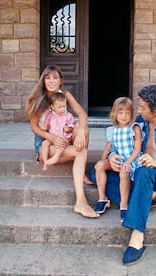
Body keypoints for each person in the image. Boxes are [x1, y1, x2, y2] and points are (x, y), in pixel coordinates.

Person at [90, 84, 156, 265]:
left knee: (144, 172)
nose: (138, 110)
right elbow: (118, 143)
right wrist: (112, 156)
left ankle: (137, 236)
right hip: (133, 170)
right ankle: (144, 197)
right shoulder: (138, 122)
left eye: (142, 107)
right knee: (97, 172)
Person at [25, 64, 99, 218]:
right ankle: (80, 201)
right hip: (45, 143)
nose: (51, 81)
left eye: (55, 78)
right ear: (43, 81)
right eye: (48, 78)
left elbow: (82, 114)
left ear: (60, 81)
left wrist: (79, 132)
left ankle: (80, 166)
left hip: (64, 138)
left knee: (81, 126)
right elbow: (34, 128)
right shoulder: (38, 99)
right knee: (81, 152)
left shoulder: (64, 94)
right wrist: (52, 138)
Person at [93, 97, 142, 222]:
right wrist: (103, 160)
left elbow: (137, 149)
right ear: (115, 113)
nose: (124, 116)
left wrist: (128, 162)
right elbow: (108, 147)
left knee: (124, 171)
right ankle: (102, 198)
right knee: (99, 166)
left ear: (131, 114)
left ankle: (124, 205)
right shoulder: (112, 130)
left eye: (127, 113)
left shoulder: (134, 128)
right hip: (118, 159)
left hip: (132, 159)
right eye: (121, 113)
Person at [41, 92, 76, 171]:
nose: (63, 109)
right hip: (52, 137)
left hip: (64, 137)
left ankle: (56, 157)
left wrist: (68, 128)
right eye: (59, 107)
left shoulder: (68, 115)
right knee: (44, 144)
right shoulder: (50, 115)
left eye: (64, 106)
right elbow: (46, 125)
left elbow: (73, 125)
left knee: (62, 145)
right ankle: (45, 161)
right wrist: (44, 127)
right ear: (52, 107)